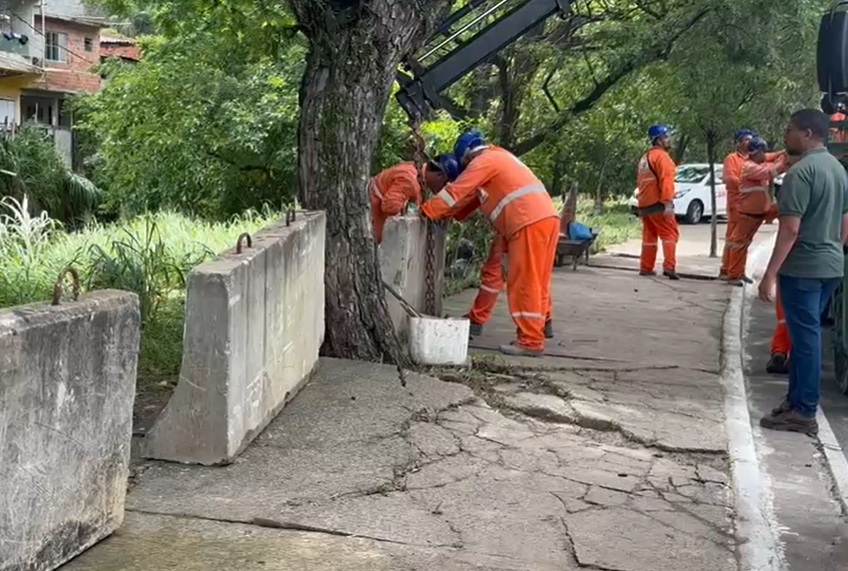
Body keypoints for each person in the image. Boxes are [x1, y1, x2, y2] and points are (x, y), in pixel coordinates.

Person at [420, 130, 559, 357]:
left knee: (525, 281)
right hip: (538, 219)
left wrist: (427, 211)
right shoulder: (499, 158)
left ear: (466, 157)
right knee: (530, 277)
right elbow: (467, 202)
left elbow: (456, 192)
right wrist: (448, 214)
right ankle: (542, 323)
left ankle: (531, 341)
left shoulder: (484, 161)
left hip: (525, 221)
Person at [757, 108, 848, 435]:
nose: (786, 135)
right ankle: (795, 401)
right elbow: (844, 224)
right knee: (803, 336)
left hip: (803, 269)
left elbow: (790, 229)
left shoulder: (800, 173)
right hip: (830, 266)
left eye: (791, 129)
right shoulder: (837, 170)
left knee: (806, 339)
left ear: (807, 134)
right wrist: (831, 248)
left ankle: (804, 410)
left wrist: (769, 274)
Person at [724, 137, 787, 286]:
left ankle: (739, 272)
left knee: (743, 243)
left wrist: (785, 152)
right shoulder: (749, 167)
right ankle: (733, 275)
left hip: (758, 211)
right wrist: (786, 161)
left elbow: (771, 156)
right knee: (739, 244)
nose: (765, 155)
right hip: (748, 213)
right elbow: (772, 171)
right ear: (755, 152)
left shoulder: (757, 161)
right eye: (762, 152)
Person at [369, 154, 460, 243]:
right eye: (444, 184)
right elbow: (390, 206)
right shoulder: (411, 180)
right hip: (370, 218)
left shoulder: (416, 173)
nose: (442, 189)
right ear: (440, 175)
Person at [637, 124, 679, 280]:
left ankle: (646, 267)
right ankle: (669, 267)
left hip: (645, 204)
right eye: (667, 137)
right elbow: (666, 181)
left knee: (649, 236)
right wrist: (668, 203)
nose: (669, 140)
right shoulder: (662, 157)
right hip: (658, 203)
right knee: (670, 234)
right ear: (659, 140)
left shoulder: (645, 158)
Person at [720, 129, 755, 279]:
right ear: (738, 142)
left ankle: (739, 270)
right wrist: (745, 184)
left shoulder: (752, 159)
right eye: (746, 139)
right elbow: (729, 178)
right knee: (734, 239)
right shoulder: (732, 159)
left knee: (744, 239)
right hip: (736, 203)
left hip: (748, 203)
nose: (749, 142)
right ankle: (727, 269)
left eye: (751, 139)